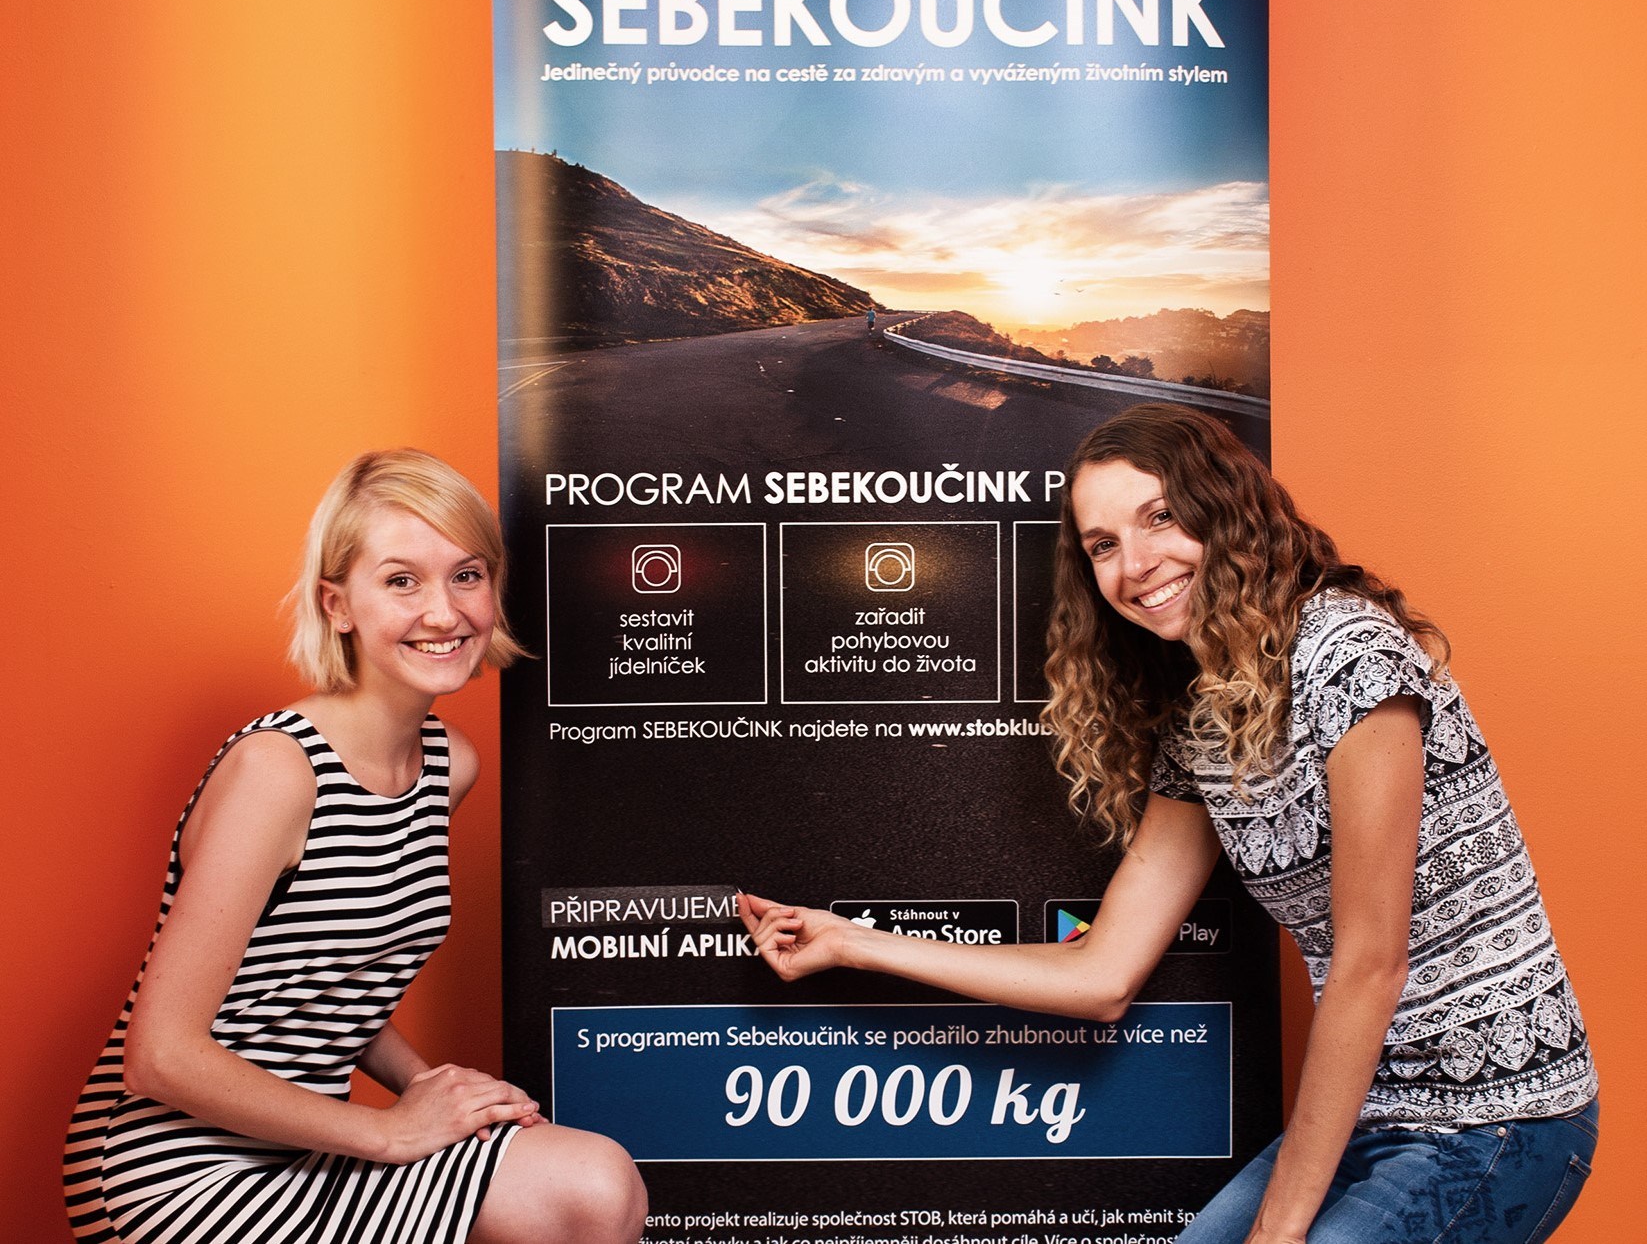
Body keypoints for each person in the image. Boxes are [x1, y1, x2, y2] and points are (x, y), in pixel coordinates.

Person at [741, 405, 1597, 1244]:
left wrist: (1277, 1227)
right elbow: (1101, 973)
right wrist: (851, 942)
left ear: (1226, 511)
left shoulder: (1351, 656)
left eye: (1159, 517)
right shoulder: (1201, 717)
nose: (1135, 564)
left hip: (1500, 1114)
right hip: (1364, 1110)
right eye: (1103, 544)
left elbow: (1370, 964)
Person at [64, 450, 648, 1244]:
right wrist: (389, 1130)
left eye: (466, 575)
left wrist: (434, 1087)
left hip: (313, 1146)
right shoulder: (278, 771)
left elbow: (322, 976)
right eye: (402, 580)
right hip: (173, 1164)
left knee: (595, 1183)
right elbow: (160, 1056)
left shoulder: (447, 764)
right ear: (336, 603)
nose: (443, 611)